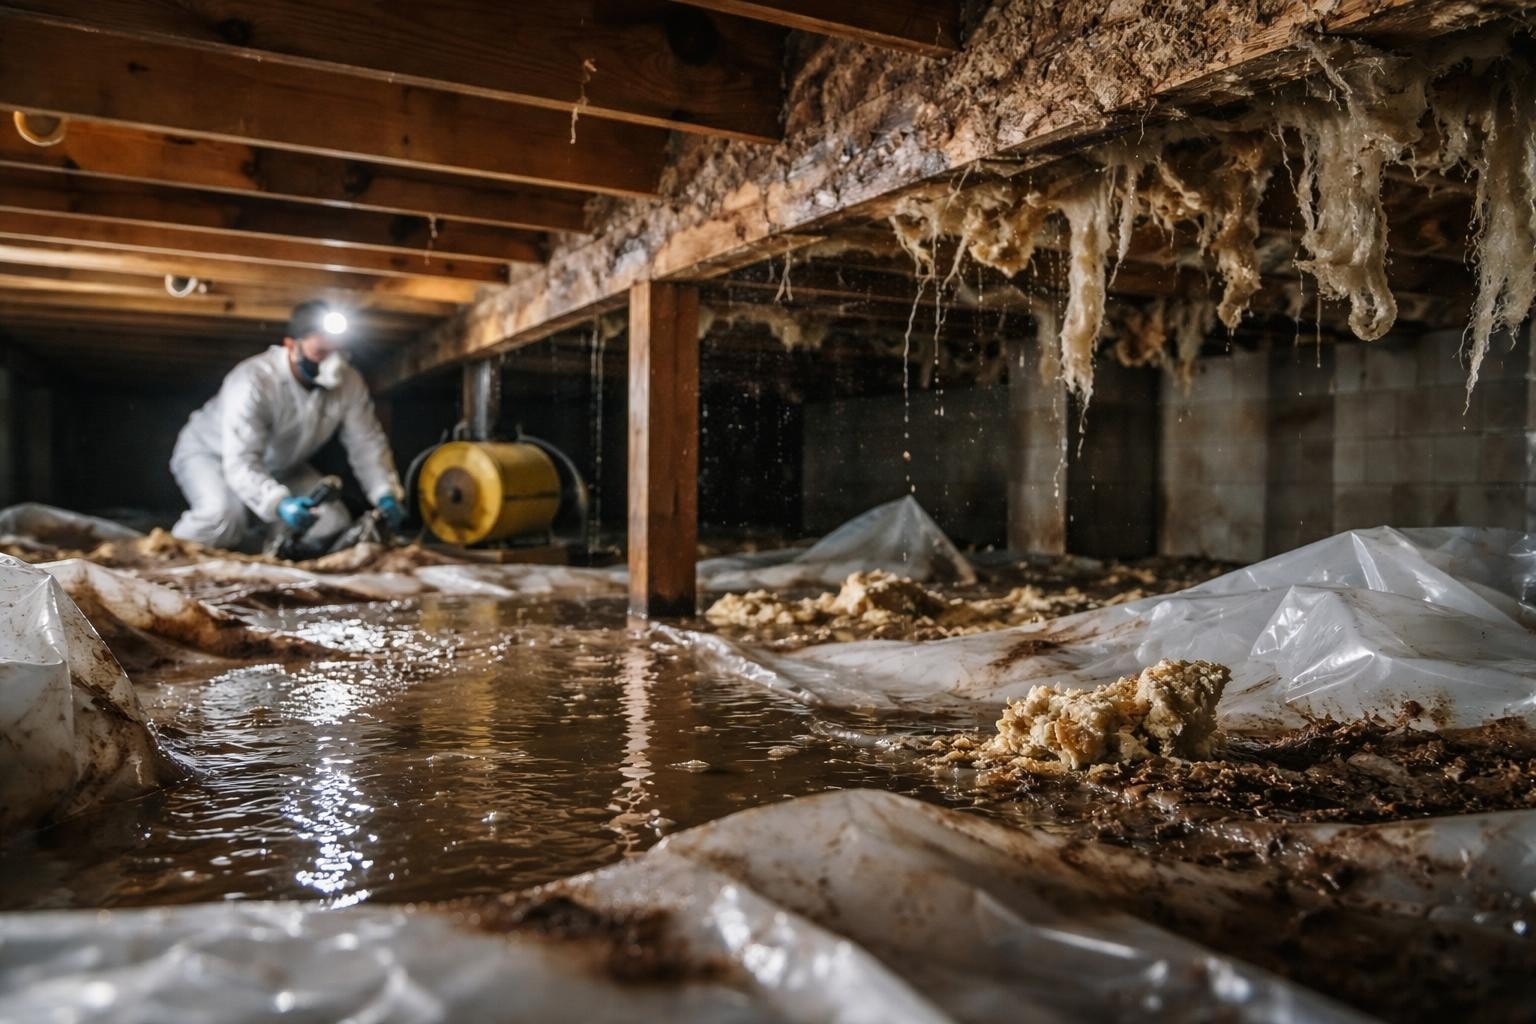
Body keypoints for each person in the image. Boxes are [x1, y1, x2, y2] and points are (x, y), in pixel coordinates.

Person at [170, 300, 407, 552]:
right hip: (210, 455)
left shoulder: (349, 383)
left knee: (330, 523)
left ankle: (266, 557)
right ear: (291, 346)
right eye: (321, 353)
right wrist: (279, 503)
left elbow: (365, 442)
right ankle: (163, 558)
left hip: (281, 465)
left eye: (340, 352)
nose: (335, 363)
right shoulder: (254, 381)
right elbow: (241, 461)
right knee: (223, 518)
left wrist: (384, 492)